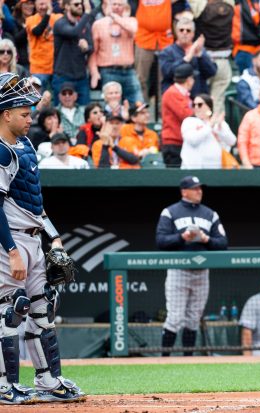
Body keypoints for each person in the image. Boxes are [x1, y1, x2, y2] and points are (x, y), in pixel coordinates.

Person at [0, 73, 84, 403]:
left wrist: (56, 240)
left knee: (42, 309)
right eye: (24, 112)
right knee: (10, 310)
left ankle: (48, 380)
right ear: (5, 114)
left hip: (34, 237)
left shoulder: (27, 144)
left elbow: (34, 201)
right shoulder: (2, 151)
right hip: (12, 241)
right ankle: (5, 386)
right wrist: (11, 251)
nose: (30, 117)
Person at [156, 176, 228, 357]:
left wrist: (206, 239)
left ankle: (188, 361)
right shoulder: (170, 211)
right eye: (195, 188)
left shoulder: (210, 213)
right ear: (184, 191)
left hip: (202, 271)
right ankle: (163, 360)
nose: (199, 191)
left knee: (193, 319)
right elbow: (161, 240)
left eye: (200, 188)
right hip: (179, 270)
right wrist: (182, 237)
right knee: (175, 317)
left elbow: (223, 242)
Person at [89, 0, 142, 104]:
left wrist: (115, 18)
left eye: (120, 4)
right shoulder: (98, 24)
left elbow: (134, 30)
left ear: (125, 7)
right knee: (112, 107)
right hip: (108, 71)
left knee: (137, 104)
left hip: (129, 71)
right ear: (107, 6)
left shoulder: (131, 21)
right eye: (114, 4)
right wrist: (94, 72)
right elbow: (93, 52)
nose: (117, 7)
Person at [158, 17, 217, 97]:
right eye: (181, 30)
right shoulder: (167, 52)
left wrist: (200, 56)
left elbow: (211, 72)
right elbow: (167, 72)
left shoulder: (200, 50)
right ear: (176, 32)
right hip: (176, 99)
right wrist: (187, 58)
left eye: (188, 30)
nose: (184, 33)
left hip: (197, 99)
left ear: (193, 34)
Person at [52, 0, 94, 106]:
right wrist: (87, 13)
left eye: (81, 4)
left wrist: (86, 48)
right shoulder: (60, 23)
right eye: (76, 4)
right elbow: (73, 32)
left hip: (81, 77)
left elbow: (91, 47)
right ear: (66, 6)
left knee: (85, 112)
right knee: (60, 113)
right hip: (63, 76)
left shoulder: (85, 25)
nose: (80, 6)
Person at [181, 94, 237, 169]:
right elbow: (192, 140)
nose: (196, 107)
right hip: (193, 168)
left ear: (209, 106)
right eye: (194, 105)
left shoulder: (219, 122)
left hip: (216, 168)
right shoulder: (189, 121)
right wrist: (210, 126)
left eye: (200, 104)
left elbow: (232, 141)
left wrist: (220, 127)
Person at [134, 0, 173, 103]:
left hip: (165, 39)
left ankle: (163, 109)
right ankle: (142, 109)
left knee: (164, 77)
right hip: (143, 38)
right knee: (140, 77)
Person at [161, 63, 194, 168]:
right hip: (173, 143)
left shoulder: (183, 94)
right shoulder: (172, 93)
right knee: (175, 180)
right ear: (189, 80)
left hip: (181, 142)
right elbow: (186, 115)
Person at [26, 0, 63, 92]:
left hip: (57, 68)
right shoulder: (30, 20)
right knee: (36, 101)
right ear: (35, 5)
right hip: (38, 68)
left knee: (59, 101)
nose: (42, 7)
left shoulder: (58, 18)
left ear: (50, 4)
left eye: (45, 4)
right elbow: (37, 31)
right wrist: (48, 14)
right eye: (40, 4)